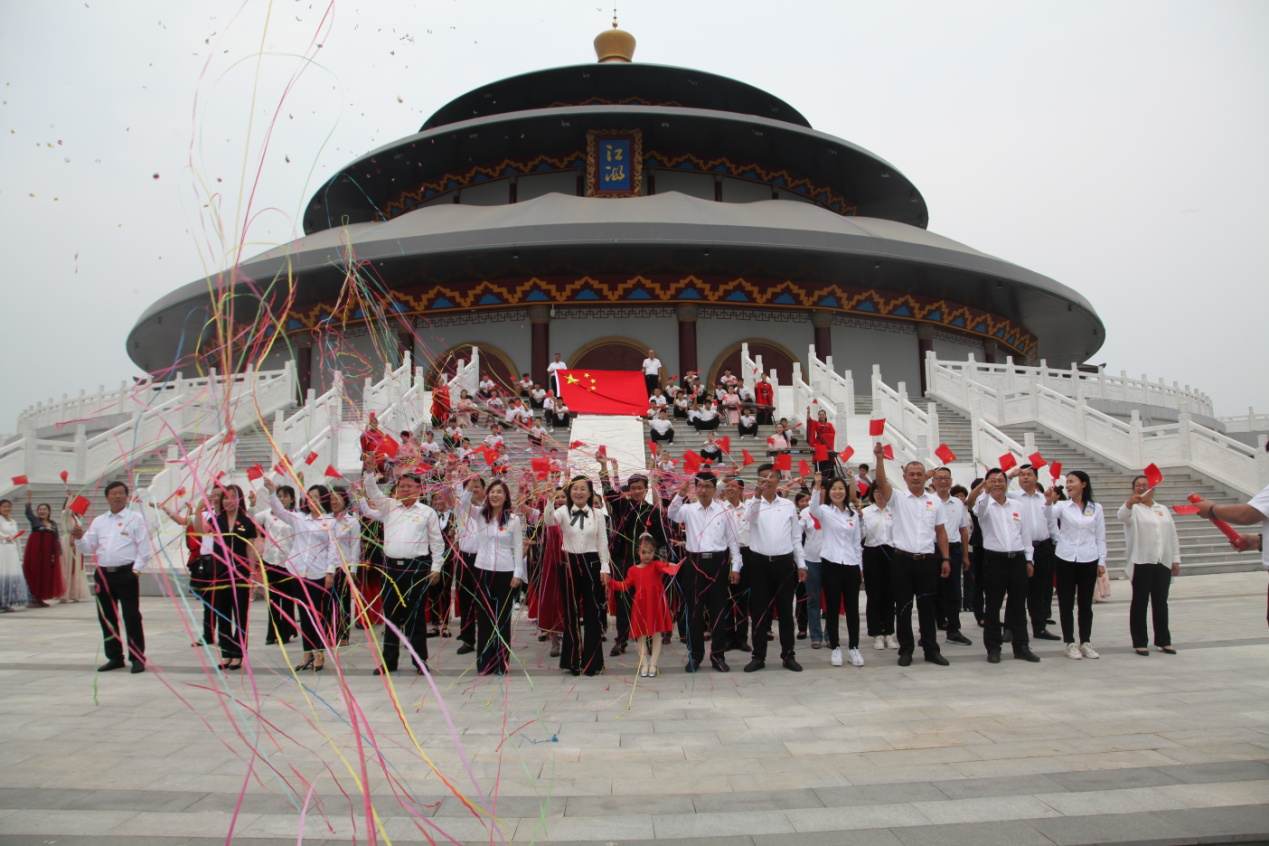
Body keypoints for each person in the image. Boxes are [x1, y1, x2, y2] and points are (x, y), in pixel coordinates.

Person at [869, 442, 951, 667]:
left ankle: (931, 649)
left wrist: (946, 558)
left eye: (919, 474)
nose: (916, 477)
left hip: (927, 561)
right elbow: (882, 482)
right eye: (911, 474)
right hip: (902, 560)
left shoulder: (935, 501)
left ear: (926, 477)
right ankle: (906, 649)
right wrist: (879, 459)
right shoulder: (896, 498)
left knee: (927, 608)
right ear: (904, 476)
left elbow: (941, 532)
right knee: (903, 607)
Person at [360, 472, 444, 675]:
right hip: (390, 569)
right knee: (391, 615)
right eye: (402, 486)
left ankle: (420, 661)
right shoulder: (389, 507)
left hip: (416, 568)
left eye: (409, 486)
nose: (405, 490)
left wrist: (436, 567)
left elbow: (437, 542)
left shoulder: (427, 512)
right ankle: (389, 662)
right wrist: (370, 472)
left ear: (419, 489)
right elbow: (372, 491)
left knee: (416, 616)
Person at [71, 481, 151, 672]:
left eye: (121, 493)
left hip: (126, 573)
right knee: (106, 616)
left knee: (131, 615)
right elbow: (88, 546)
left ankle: (137, 657)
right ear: (107, 497)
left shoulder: (135, 518)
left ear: (127, 496)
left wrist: (136, 571)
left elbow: (144, 548)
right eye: (113, 493)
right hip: (104, 574)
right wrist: (79, 537)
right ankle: (115, 656)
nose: (117, 496)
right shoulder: (99, 521)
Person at [448, 479, 525, 675]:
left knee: (502, 619)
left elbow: (518, 547)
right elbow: (460, 506)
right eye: (492, 492)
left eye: (499, 492)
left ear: (505, 496)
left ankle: (501, 662)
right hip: (482, 571)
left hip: (506, 574)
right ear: (487, 495)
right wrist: (469, 486)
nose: (495, 495)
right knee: (484, 618)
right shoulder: (479, 515)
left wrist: (518, 573)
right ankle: (485, 663)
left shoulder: (513, 519)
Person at [667, 471, 742, 672]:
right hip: (695, 563)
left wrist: (735, 566)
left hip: (718, 563)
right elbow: (671, 515)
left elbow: (733, 541)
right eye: (699, 486)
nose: (703, 490)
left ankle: (718, 656)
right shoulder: (688, 509)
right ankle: (695, 655)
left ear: (714, 489)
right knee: (694, 612)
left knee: (719, 611)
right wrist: (679, 495)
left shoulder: (724, 511)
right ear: (695, 488)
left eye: (708, 486)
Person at [263, 478, 338, 672]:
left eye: (316, 497)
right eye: (309, 497)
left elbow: (333, 548)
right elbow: (279, 511)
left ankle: (320, 652)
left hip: (319, 573)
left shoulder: (329, 521)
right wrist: (272, 490)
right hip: (298, 572)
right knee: (304, 614)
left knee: (318, 615)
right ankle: (307, 652)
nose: (312, 500)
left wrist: (330, 571)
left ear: (323, 500)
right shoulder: (299, 518)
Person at [967, 470, 1040, 664]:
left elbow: (1025, 535)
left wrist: (1028, 559)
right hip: (995, 560)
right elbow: (972, 502)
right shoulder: (985, 506)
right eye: (993, 481)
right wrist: (984, 487)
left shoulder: (1017, 506)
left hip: (1016, 559)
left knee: (1018, 606)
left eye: (1001, 481)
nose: (998, 484)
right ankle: (993, 647)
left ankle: (1021, 646)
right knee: (992, 606)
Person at [741, 464, 807, 672]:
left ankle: (788, 655)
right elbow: (749, 520)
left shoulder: (787, 505)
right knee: (760, 611)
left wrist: (802, 563)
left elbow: (796, 537)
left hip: (784, 563)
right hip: (759, 562)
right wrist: (758, 496)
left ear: (779, 480)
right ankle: (758, 656)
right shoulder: (752, 504)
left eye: (771, 477)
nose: (767, 481)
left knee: (786, 611)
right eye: (762, 477)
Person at [598, 457, 666, 658]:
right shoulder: (623, 507)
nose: (637, 491)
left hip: (647, 566)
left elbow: (662, 540)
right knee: (623, 603)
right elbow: (608, 492)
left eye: (640, 487)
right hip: (624, 564)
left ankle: (647, 637)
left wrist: (658, 565)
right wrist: (605, 467)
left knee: (647, 603)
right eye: (633, 488)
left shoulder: (652, 511)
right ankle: (621, 639)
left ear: (646, 489)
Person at [546, 475, 610, 676]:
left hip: (592, 563)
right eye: (575, 489)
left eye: (583, 489)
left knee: (593, 613)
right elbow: (549, 522)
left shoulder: (598, 514)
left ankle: (593, 663)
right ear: (569, 492)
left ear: (590, 493)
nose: (579, 492)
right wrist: (549, 499)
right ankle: (572, 661)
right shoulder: (563, 511)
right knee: (571, 612)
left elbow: (602, 542)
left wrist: (604, 567)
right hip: (569, 563)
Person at [1046, 470, 1107, 660]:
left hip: (1088, 558)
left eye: (1072, 481)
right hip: (1065, 558)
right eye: (1067, 482)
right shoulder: (1062, 506)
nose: (1068, 485)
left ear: (1083, 484)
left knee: (1085, 603)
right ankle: (1070, 642)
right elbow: (1047, 517)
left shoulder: (1096, 508)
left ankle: (1086, 642)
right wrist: (1048, 502)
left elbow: (1100, 536)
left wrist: (1102, 560)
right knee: (1066, 602)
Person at [1119, 476, 1181, 656]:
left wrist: (1175, 558)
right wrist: (1130, 503)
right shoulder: (1133, 509)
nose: (1141, 488)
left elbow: (1172, 535)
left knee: (1161, 602)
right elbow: (1121, 516)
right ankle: (1140, 642)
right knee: (1140, 601)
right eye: (1137, 486)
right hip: (1141, 560)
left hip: (1162, 560)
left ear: (1152, 488)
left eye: (1144, 485)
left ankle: (1164, 640)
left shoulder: (1162, 509)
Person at [810, 472, 865, 667]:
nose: (838, 492)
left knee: (852, 609)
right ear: (830, 491)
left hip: (850, 565)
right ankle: (835, 648)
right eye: (834, 488)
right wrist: (817, 486)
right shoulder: (824, 511)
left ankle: (854, 648)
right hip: (831, 564)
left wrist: (860, 567)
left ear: (846, 491)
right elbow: (812, 507)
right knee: (832, 609)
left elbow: (857, 543)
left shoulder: (853, 516)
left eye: (841, 488)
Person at [611, 535, 682, 677]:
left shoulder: (656, 566)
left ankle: (653, 664)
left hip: (656, 604)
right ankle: (644, 664)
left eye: (650, 552)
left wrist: (672, 565)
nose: (647, 555)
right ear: (638, 552)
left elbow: (666, 565)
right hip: (641, 606)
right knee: (641, 635)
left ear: (654, 551)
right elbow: (624, 586)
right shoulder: (633, 570)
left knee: (656, 634)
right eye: (643, 552)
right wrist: (609, 582)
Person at [209, 485, 260, 671]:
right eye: (225, 497)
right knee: (222, 615)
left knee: (240, 615)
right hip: (220, 574)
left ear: (239, 499)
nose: (228, 501)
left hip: (240, 574)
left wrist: (252, 573)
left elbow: (250, 549)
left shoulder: (246, 521)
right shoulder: (216, 520)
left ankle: (238, 653)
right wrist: (201, 504)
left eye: (233, 497)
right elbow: (198, 528)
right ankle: (227, 653)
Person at [1006, 466, 1061, 642]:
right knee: (1016, 590)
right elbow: (997, 491)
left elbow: (1051, 522)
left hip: (1042, 547)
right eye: (1022, 475)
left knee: (1038, 591)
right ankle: (1009, 627)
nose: (1025, 477)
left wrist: (1057, 543)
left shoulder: (1043, 499)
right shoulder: (1013, 497)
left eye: (1029, 475)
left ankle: (1039, 627)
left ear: (1036, 478)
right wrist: (1009, 477)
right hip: (1021, 549)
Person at [931, 467, 973, 647]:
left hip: (954, 549)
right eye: (939, 478)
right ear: (933, 481)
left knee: (954, 591)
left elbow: (963, 530)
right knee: (932, 591)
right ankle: (931, 628)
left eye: (946, 478)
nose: (943, 482)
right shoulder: (928, 502)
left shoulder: (957, 503)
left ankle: (954, 629)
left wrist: (965, 555)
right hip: (932, 550)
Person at [861, 483, 896, 650]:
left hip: (891, 553)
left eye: (882, 491)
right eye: (876, 491)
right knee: (874, 595)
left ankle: (889, 632)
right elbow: (860, 536)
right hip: (872, 554)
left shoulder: (894, 511)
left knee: (890, 595)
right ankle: (876, 633)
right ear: (872, 494)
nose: (880, 494)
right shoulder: (866, 512)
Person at [22, 488, 64, 606]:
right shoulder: (35, 521)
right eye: (40, 509)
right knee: (34, 572)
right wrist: (29, 498)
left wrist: (58, 551)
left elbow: (56, 538)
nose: (42, 511)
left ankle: (40, 597)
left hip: (48, 553)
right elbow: (28, 513)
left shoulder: (53, 524)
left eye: (44, 509)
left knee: (45, 574)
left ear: (49, 511)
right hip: (35, 551)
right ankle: (33, 597)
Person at [58, 488, 89, 603]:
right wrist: (70, 497)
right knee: (67, 565)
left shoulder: (77, 517)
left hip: (77, 541)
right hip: (68, 541)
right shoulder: (65, 514)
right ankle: (64, 593)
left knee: (76, 566)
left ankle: (74, 592)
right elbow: (67, 510)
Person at [0, 499, 27, 612]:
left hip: (12, 549)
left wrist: (19, 553)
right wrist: (4, 537)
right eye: (4, 507)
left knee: (11, 575)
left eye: (9, 507)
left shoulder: (13, 521)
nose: (7, 509)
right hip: (2, 548)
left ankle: (7, 602)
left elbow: (17, 537)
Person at [806, 406, 837, 478]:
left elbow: (833, 433)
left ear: (825, 415)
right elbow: (809, 420)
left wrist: (824, 436)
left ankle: (829, 477)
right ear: (818, 416)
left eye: (823, 414)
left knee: (828, 460)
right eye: (820, 415)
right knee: (820, 460)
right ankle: (820, 477)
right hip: (819, 444)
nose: (821, 416)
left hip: (828, 444)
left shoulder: (829, 424)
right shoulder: (816, 423)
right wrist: (808, 412)